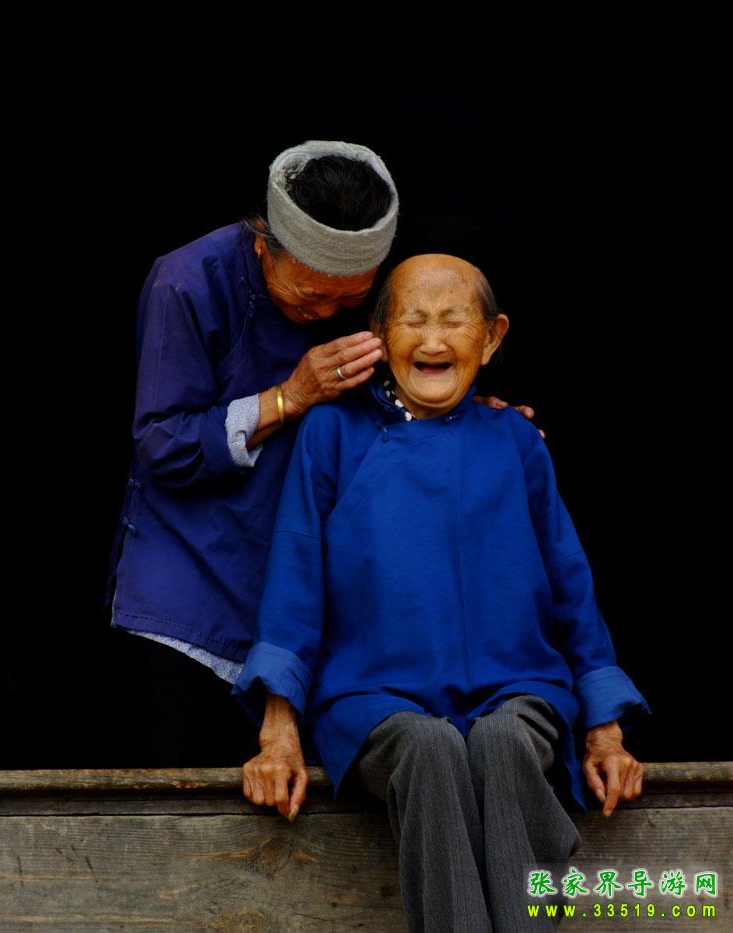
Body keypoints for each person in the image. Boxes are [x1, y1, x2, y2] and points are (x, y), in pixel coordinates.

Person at [232, 254, 651, 931]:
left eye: (453, 321)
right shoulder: (333, 434)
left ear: (490, 338)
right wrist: (278, 731)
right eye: (413, 321)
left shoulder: (517, 440)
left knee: (503, 742)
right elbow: (295, 577)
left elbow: (570, 584)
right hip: (374, 699)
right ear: (379, 335)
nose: (432, 340)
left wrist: (605, 728)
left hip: (518, 686)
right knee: (429, 749)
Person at [104, 140, 537, 767]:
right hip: (190, 585)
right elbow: (161, 444)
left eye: (347, 300)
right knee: (173, 785)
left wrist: (472, 419)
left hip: (309, 588)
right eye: (310, 297)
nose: (327, 313)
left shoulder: (369, 294)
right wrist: (290, 397)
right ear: (263, 244)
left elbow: (411, 375)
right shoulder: (186, 282)